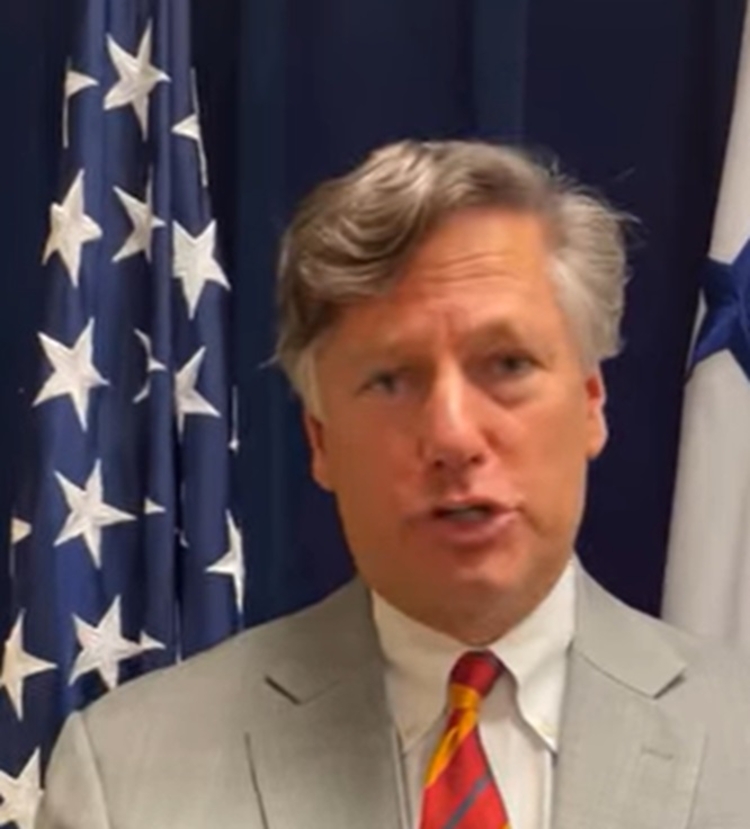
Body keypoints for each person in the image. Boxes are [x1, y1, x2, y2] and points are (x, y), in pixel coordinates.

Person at [37, 140, 750, 829]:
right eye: (390, 380)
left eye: (507, 364)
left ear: (591, 404)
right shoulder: (126, 778)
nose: (454, 436)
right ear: (320, 439)